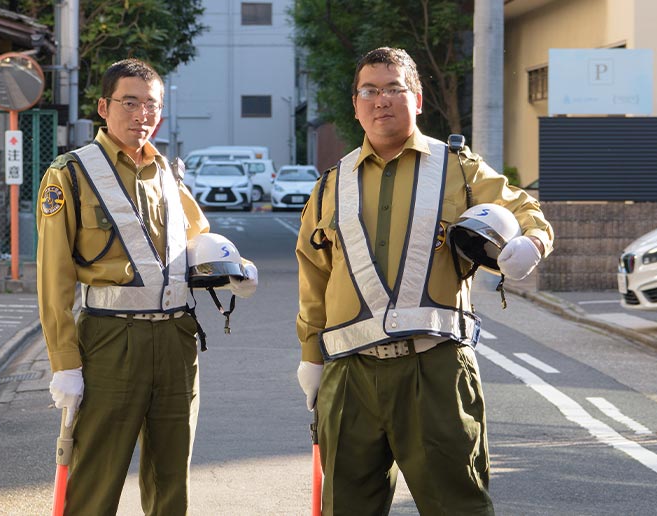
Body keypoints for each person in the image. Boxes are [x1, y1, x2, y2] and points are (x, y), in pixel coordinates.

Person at [295, 47, 554, 515]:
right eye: (369, 91)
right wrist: (312, 358)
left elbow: (524, 209)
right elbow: (314, 275)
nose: (381, 100)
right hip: (349, 376)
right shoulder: (331, 182)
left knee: (458, 507)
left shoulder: (458, 167)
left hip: (435, 370)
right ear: (355, 105)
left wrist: (531, 243)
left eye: (394, 88)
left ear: (416, 99)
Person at [37, 58, 257, 515]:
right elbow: (53, 277)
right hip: (110, 339)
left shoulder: (166, 174)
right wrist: (64, 364)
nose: (142, 114)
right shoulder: (71, 174)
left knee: (171, 479)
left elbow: (197, 240)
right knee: (97, 478)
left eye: (152, 105)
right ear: (104, 107)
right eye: (130, 102)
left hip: (177, 337)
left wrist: (233, 267)